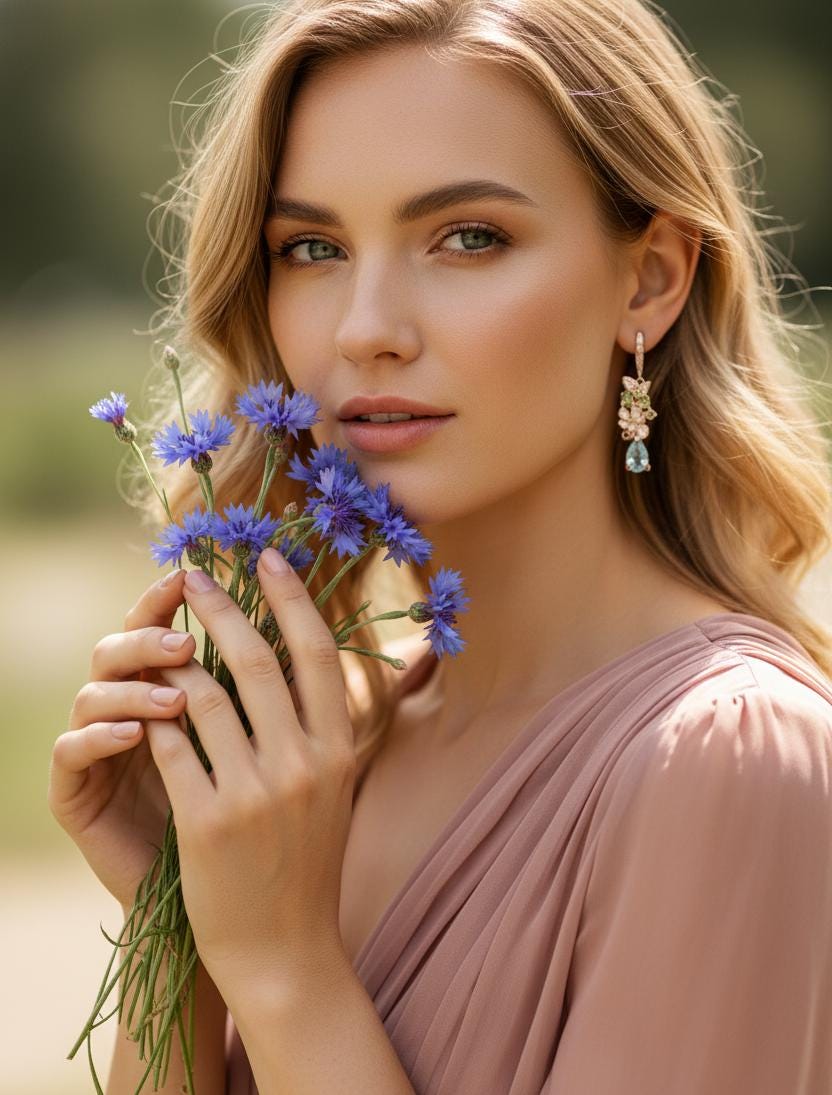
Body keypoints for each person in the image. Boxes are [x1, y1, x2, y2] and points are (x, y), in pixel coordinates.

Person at [49, 0, 832, 1091]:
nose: (366, 326)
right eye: (310, 247)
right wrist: (175, 910)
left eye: (468, 237)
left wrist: (285, 972)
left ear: (649, 280)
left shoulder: (728, 763)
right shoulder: (337, 757)